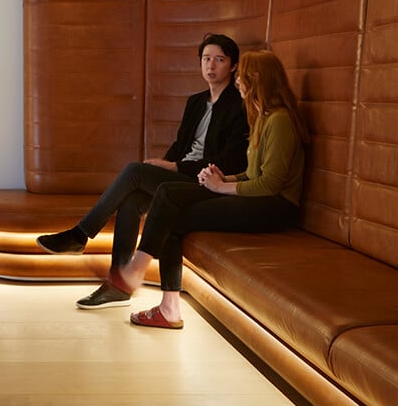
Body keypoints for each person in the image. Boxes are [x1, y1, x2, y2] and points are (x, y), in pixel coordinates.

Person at [36, 33, 249, 310]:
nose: (211, 66)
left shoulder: (239, 104)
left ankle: (80, 234)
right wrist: (164, 165)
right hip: (181, 174)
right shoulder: (195, 102)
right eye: (206, 59)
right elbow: (181, 144)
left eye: (219, 60)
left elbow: (231, 161)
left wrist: (174, 167)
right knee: (132, 199)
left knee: (134, 171)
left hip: (207, 181)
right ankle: (117, 287)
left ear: (233, 66)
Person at [108, 50, 308, 328]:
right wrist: (222, 177)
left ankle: (146, 279)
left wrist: (222, 187)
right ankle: (161, 298)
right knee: (168, 193)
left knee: (172, 217)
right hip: (260, 199)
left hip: (275, 207)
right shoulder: (262, 118)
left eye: (242, 77)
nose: (237, 82)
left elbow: (270, 185)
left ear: (257, 79)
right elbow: (252, 175)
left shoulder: (280, 121)